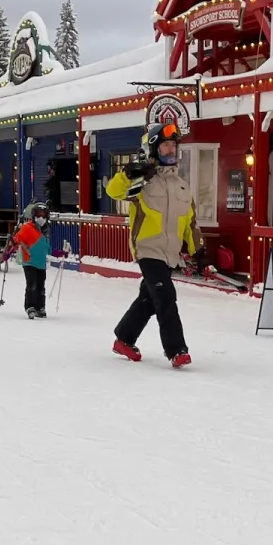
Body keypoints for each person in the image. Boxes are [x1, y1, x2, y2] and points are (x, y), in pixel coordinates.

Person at [106, 120, 202, 368]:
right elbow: (113, 192)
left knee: (149, 299)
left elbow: (190, 223)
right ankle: (177, 349)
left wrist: (198, 250)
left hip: (169, 254)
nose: (171, 150)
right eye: (165, 146)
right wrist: (129, 174)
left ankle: (124, 339)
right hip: (148, 249)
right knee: (166, 295)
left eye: (173, 146)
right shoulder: (142, 180)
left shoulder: (182, 186)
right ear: (153, 149)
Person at [12, 202, 52, 319]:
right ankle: (30, 306)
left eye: (44, 216)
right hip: (29, 262)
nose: (41, 218)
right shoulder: (27, 228)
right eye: (39, 216)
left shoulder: (45, 232)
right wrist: (12, 243)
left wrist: (59, 253)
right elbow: (18, 238)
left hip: (41, 264)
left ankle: (40, 307)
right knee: (32, 284)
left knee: (41, 286)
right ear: (34, 216)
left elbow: (47, 248)